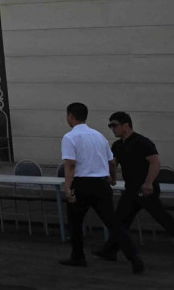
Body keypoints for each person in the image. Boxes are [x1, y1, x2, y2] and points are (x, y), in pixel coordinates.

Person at [59, 102, 141, 273]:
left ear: (70, 116)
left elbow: (71, 164)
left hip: (81, 184)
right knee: (113, 223)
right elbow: (111, 162)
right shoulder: (99, 136)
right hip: (101, 184)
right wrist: (112, 177)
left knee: (75, 222)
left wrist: (67, 187)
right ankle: (134, 256)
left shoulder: (70, 137)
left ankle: (78, 256)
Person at [97, 112, 174, 262]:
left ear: (126, 125)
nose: (112, 129)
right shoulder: (118, 145)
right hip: (131, 190)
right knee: (119, 220)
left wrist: (148, 183)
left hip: (146, 190)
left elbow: (155, 163)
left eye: (114, 125)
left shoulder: (142, 142)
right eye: (110, 125)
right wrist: (112, 178)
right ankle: (110, 250)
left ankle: (110, 250)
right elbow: (113, 163)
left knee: (162, 218)